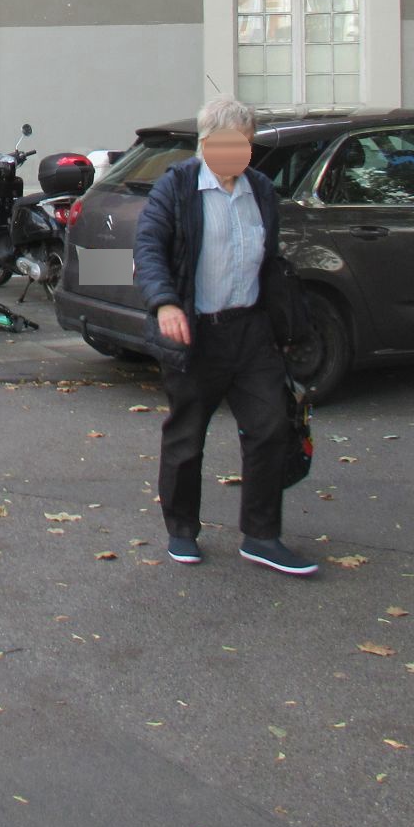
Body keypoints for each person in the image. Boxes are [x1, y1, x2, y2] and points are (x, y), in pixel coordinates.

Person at [132, 94, 317, 576]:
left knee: (271, 427)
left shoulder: (260, 189)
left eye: (246, 144)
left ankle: (261, 536)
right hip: (197, 333)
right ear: (207, 142)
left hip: (251, 330)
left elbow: (269, 257)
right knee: (187, 436)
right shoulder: (177, 187)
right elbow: (149, 248)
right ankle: (181, 529)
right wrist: (165, 303)